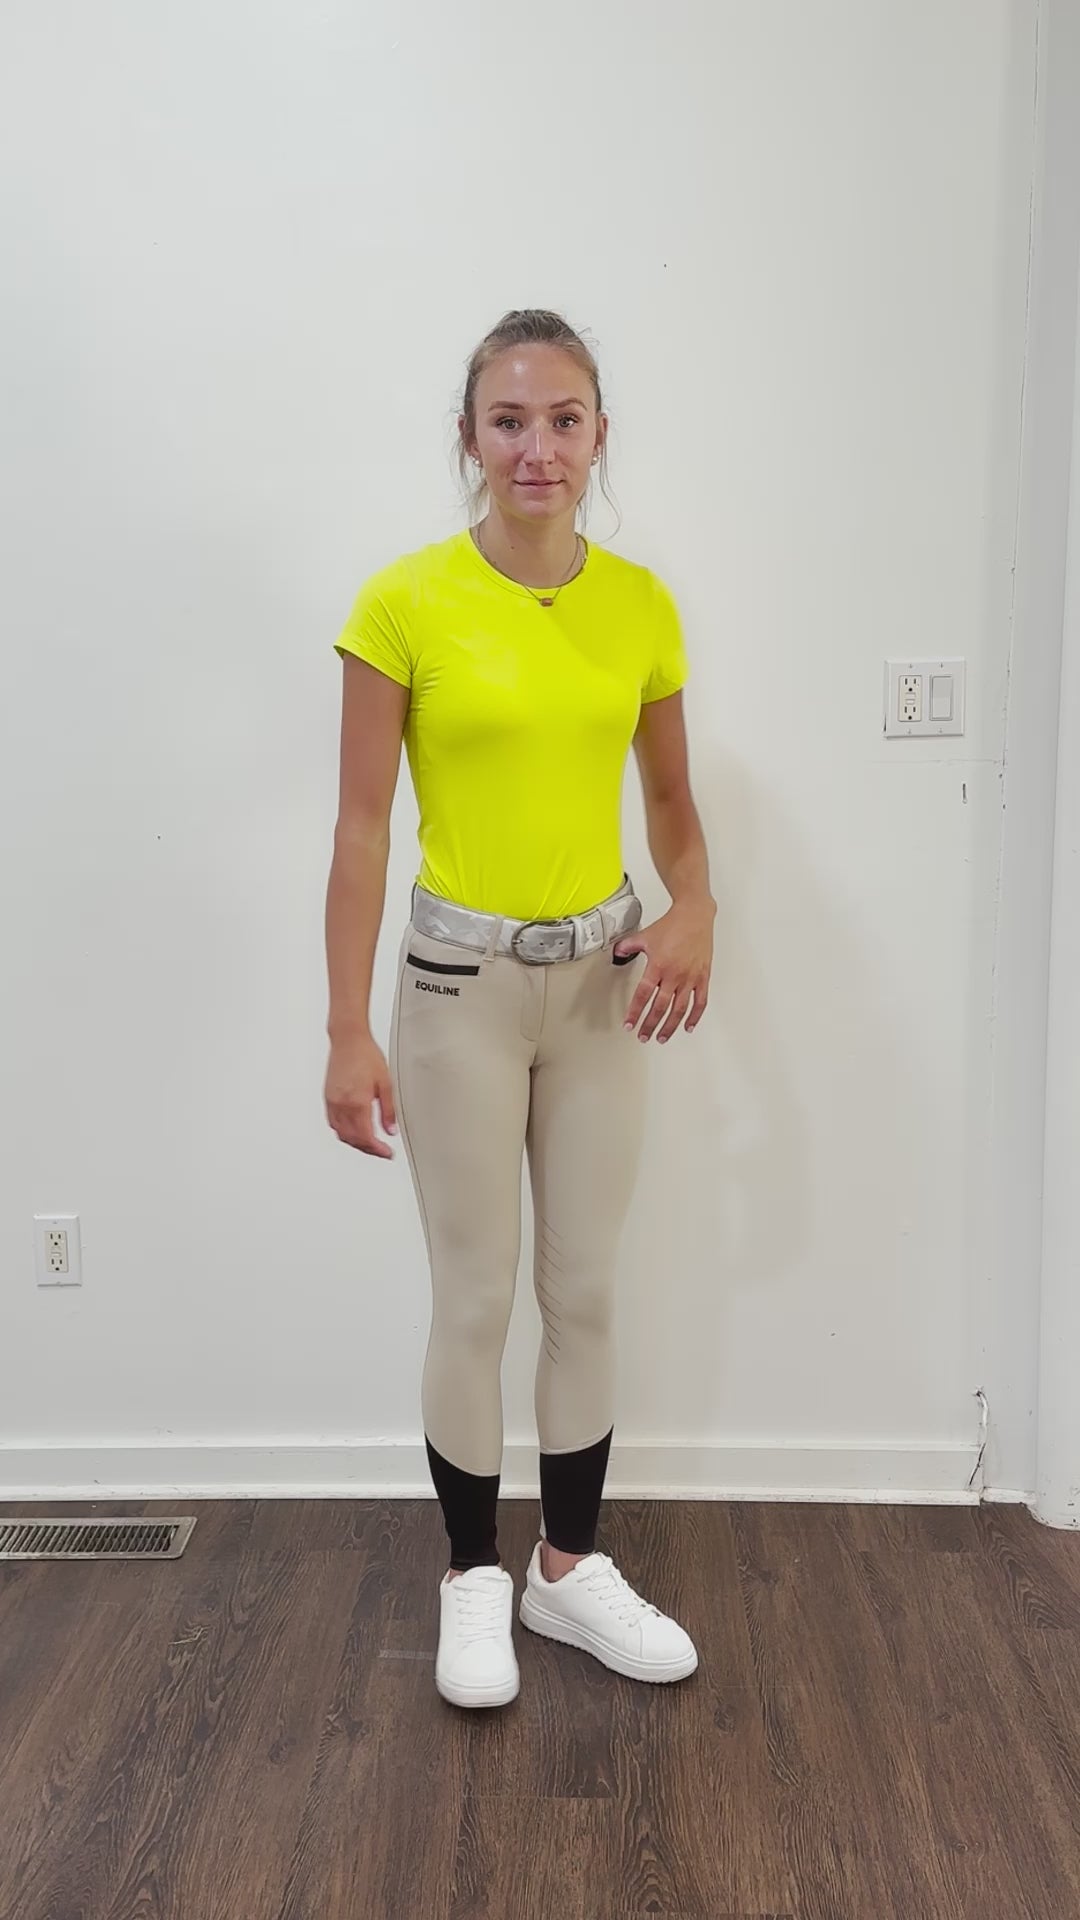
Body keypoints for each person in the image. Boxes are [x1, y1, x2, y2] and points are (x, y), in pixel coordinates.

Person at [324, 309, 715, 1710]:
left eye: (564, 420)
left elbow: (671, 803)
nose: (537, 447)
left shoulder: (642, 605)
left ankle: (568, 1568)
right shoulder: (402, 604)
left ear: (599, 436)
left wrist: (699, 907)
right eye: (509, 420)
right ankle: (472, 1577)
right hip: (456, 992)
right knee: (476, 1293)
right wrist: (346, 1028)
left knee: (584, 1286)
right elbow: (363, 830)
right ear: (470, 438)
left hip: (604, 987)